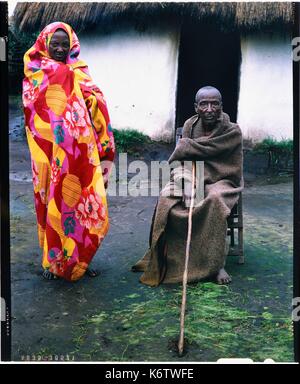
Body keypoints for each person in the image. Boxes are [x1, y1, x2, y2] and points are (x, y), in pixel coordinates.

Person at [23, 22, 115, 281]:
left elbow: (95, 100)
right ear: (45, 43)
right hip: (48, 151)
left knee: (81, 202)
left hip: (79, 152)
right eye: (56, 44)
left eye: (66, 44)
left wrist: (89, 96)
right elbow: (35, 111)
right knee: (50, 202)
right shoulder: (35, 71)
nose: (61, 49)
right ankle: (50, 261)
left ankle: (81, 260)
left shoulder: (79, 71)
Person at [132, 86, 243, 285]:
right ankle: (168, 258)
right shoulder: (189, 126)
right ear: (196, 107)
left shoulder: (232, 131)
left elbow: (231, 166)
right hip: (192, 175)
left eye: (214, 103)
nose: (209, 108)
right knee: (167, 198)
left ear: (221, 106)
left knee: (214, 200)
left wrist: (187, 146)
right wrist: (186, 183)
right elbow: (178, 162)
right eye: (204, 104)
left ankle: (216, 264)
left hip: (221, 179)